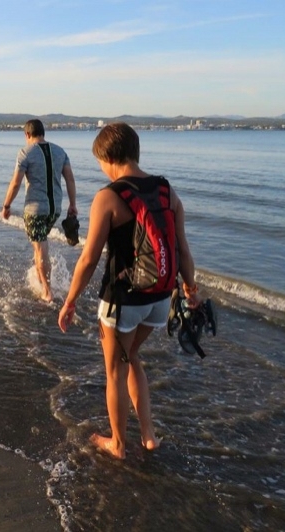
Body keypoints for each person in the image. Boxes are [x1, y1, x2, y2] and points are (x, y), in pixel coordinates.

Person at [57, 122, 201, 459]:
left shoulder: (109, 196)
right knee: (133, 357)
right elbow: (183, 249)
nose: (102, 170)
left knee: (115, 371)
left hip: (124, 301)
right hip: (160, 300)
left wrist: (70, 301)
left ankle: (118, 444)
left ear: (109, 157)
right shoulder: (167, 190)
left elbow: (89, 259)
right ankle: (148, 435)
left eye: (100, 163)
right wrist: (190, 289)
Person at [2, 119, 77, 302]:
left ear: (27, 135)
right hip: (54, 210)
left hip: (35, 210)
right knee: (40, 245)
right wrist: (73, 204)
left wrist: (6, 205)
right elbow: (70, 180)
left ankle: (47, 290)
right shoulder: (60, 151)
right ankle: (42, 276)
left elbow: (16, 183)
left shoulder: (25, 153)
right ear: (43, 133)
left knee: (41, 248)